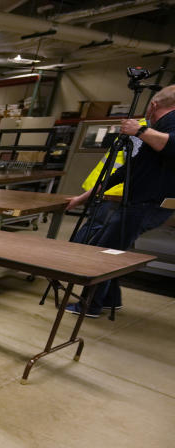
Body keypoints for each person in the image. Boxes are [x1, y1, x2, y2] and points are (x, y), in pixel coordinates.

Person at [65, 84, 175, 317]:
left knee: (103, 254)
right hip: (142, 203)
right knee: (113, 251)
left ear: (153, 105)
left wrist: (140, 131)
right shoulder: (161, 130)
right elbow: (127, 170)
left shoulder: (166, 125)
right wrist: (82, 198)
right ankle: (109, 301)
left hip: (146, 204)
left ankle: (90, 306)